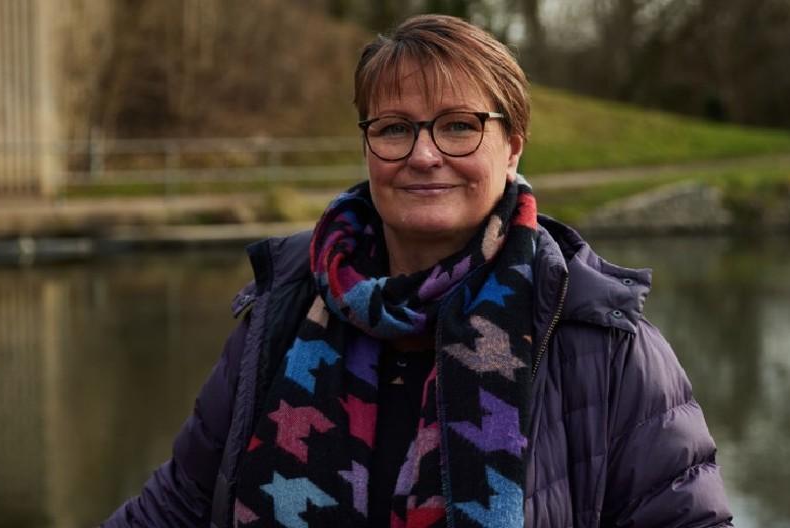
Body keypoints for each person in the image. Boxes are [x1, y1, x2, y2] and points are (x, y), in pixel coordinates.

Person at [104, 14, 732, 528]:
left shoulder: (604, 342)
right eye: (395, 128)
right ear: (367, 145)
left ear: (512, 146)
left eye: (459, 126)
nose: (424, 155)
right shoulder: (282, 311)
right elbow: (176, 508)